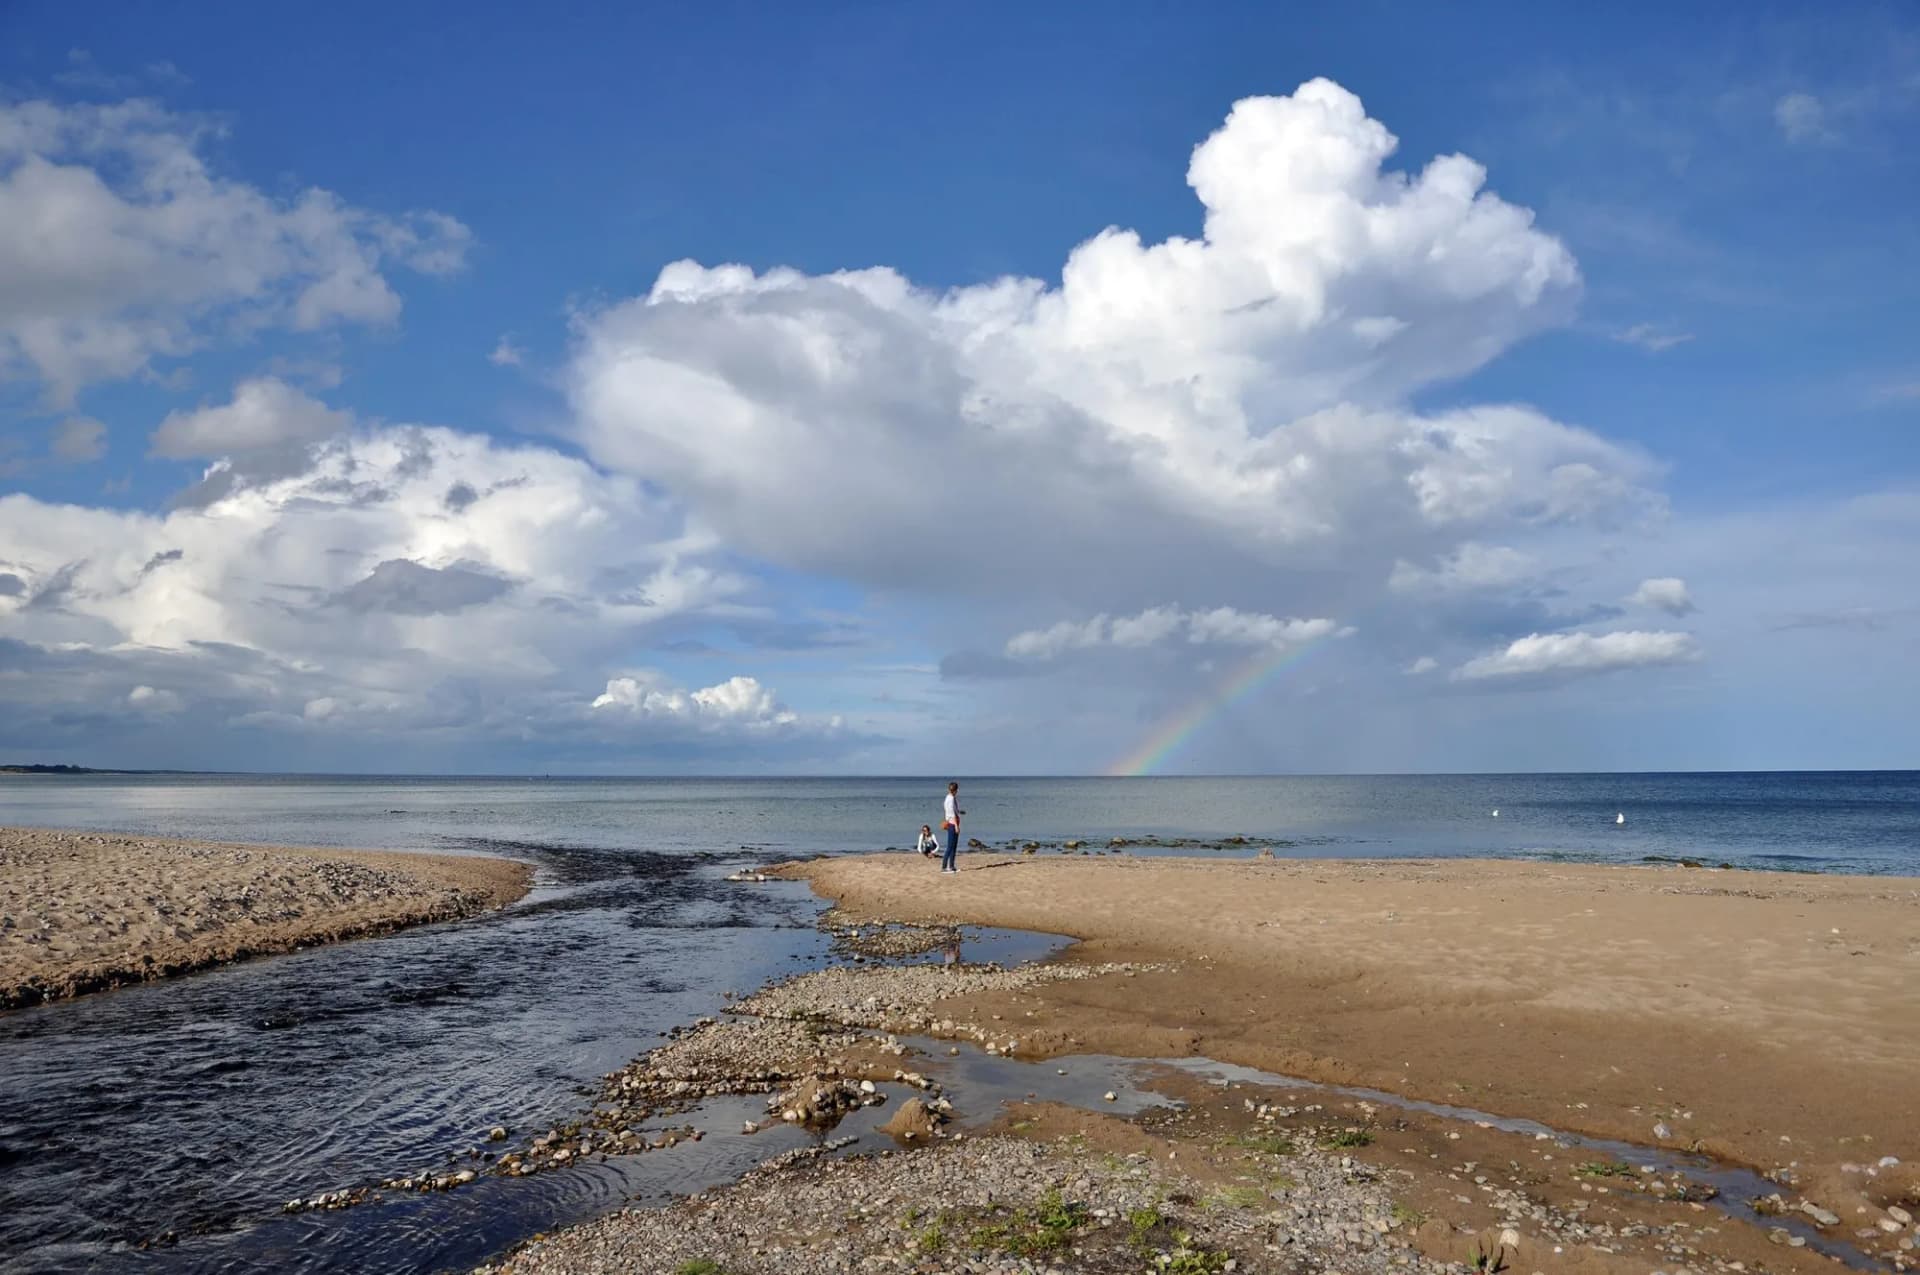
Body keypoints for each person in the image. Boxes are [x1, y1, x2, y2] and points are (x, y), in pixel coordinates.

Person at [940, 781, 964, 874]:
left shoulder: (950, 798)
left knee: (954, 846)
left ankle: (952, 866)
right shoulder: (950, 799)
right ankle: (944, 867)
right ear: (955, 790)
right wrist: (956, 826)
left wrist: (959, 812)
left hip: (952, 822)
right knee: (950, 846)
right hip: (952, 824)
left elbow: (953, 810)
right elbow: (951, 814)